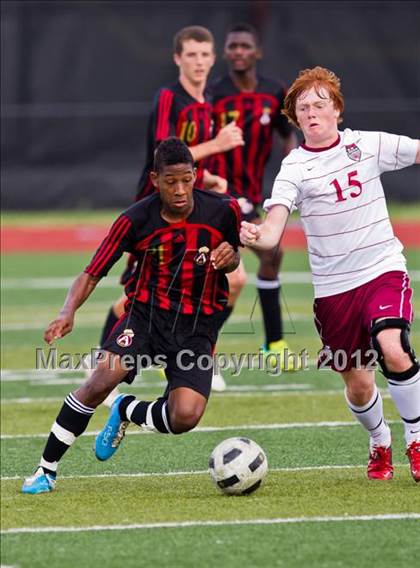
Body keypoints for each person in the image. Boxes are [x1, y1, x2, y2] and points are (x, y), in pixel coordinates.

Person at [22, 137, 241, 494]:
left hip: (197, 328)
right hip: (145, 321)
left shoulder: (223, 210)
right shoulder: (134, 219)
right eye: (171, 182)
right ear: (155, 179)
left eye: (187, 179)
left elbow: (234, 254)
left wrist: (229, 257)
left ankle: (126, 410)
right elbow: (92, 272)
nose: (181, 190)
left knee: (185, 416)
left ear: (196, 175)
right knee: (97, 383)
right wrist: (67, 312)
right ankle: (45, 470)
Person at [240, 66, 420, 482]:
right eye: (303, 108)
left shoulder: (368, 145)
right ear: (295, 118)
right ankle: (379, 442)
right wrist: (256, 235)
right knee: (358, 383)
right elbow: (273, 230)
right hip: (335, 288)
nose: (311, 112)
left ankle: (415, 438)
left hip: (382, 269)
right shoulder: (295, 167)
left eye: (320, 104)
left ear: (337, 109)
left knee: (392, 347)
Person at [96, 26, 244, 394]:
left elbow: (188, 164)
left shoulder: (209, 98)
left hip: (192, 207)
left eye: (205, 54)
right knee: (140, 294)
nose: (199, 62)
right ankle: (104, 364)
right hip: (157, 212)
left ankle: (194, 355)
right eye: (191, 54)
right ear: (177, 58)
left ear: (214, 58)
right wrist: (217, 144)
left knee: (230, 279)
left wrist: (207, 180)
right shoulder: (169, 97)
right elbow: (166, 152)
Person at [207, 23, 298, 367]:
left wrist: (292, 160)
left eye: (245, 46)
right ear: (225, 53)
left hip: (251, 192)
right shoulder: (215, 93)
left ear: (257, 51)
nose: (238, 52)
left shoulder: (274, 91)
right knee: (234, 269)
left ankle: (273, 343)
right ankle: (197, 347)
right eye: (232, 46)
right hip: (219, 192)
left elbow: (286, 133)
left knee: (270, 256)